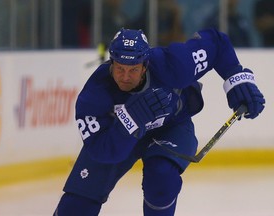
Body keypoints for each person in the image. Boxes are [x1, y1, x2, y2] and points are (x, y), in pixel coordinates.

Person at [53, 28, 265, 216]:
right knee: (77, 204)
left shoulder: (174, 64)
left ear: (145, 65)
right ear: (111, 62)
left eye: (133, 69)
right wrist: (132, 119)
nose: (125, 76)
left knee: (162, 177)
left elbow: (217, 44)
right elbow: (103, 152)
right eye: (119, 68)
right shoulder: (93, 97)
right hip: (116, 137)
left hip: (170, 128)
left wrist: (237, 79)